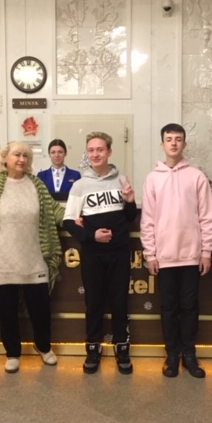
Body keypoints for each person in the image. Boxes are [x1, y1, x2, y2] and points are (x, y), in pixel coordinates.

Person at [0, 141, 64, 373]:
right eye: (17, 155)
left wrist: (78, 217)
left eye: (26, 155)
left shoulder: (36, 184)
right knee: (8, 312)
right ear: (5, 158)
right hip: (2, 260)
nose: (21, 159)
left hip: (35, 259)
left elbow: (54, 210)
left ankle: (43, 347)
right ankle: (12, 353)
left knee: (40, 310)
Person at [140, 123, 212, 378]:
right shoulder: (153, 178)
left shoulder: (196, 176)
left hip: (192, 256)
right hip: (164, 257)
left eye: (178, 139)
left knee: (190, 307)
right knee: (168, 308)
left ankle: (190, 355)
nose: (173, 143)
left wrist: (206, 251)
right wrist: (150, 254)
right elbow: (148, 219)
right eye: (169, 139)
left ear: (184, 144)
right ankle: (172, 355)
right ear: (162, 144)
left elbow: (207, 216)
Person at [63, 132, 137, 375]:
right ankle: (93, 349)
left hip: (119, 254)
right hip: (93, 255)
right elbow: (68, 221)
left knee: (119, 302)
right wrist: (91, 236)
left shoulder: (121, 180)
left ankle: (121, 348)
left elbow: (129, 218)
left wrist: (130, 201)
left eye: (100, 149)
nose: (95, 154)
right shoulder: (80, 185)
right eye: (91, 150)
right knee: (93, 303)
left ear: (109, 152)